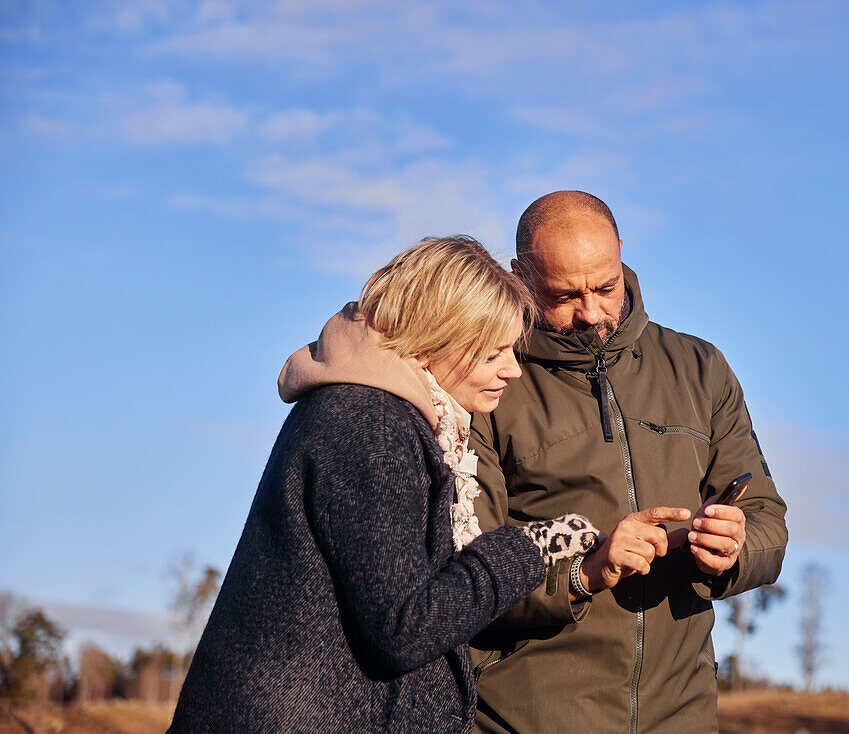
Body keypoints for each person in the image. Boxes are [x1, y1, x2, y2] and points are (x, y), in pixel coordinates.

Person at [168, 236, 606, 733]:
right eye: (493, 352)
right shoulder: (371, 426)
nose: (512, 369)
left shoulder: (385, 414)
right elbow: (404, 626)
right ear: (437, 337)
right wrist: (530, 545)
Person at [469, 193, 789, 733]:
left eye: (604, 286)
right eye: (564, 295)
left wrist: (733, 550)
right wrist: (583, 572)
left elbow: (767, 523)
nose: (590, 312)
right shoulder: (487, 381)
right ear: (519, 276)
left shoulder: (700, 368)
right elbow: (466, 568)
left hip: (681, 717)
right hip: (527, 719)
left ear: (620, 253)